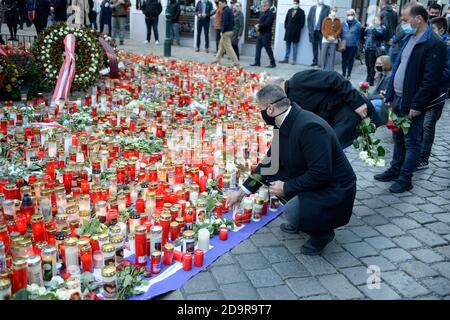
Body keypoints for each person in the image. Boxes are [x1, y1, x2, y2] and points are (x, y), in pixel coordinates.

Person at [226, 84, 356, 255]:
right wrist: (241, 192)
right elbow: (270, 163)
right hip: (316, 179)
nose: (261, 114)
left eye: (261, 109)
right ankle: (306, 215)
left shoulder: (309, 127)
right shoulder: (284, 122)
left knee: (293, 210)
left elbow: (321, 173)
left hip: (335, 189)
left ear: (270, 108)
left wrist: (286, 187)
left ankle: (322, 233)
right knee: (273, 176)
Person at [375, 3, 446, 193]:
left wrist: (418, 104)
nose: (403, 23)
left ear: (419, 19)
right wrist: (390, 93)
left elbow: (430, 79)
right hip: (398, 98)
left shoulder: (434, 43)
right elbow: (398, 66)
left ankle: (406, 178)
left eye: (406, 19)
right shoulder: (409, 37)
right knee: (397, 136)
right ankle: (395, 169)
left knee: (412, 141)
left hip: (413, 102)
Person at [267, 70, 382, 149]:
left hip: (350, 109)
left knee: (328, 147)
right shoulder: (288, 101)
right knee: (327, 148)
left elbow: (334, 77)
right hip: (335, 120)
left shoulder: (298, 80)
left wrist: (357, 103)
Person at [417, 17, 450, 170]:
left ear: (441, 30)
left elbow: (447, 71)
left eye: (433, 29)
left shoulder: (446, 45)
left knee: (428, 125)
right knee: (422, 125)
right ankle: (417, 155)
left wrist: (430, 75)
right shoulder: (433, 42)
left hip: (437, 93)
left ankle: (423, 159)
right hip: (426, 90)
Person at [212, 0, 239, 66]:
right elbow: (232, 22)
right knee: (221, 47)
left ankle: (235, 62)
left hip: (226, 32)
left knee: (229, 48)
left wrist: (222, 31)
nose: (219, 5)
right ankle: (217, 59)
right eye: (219, 4)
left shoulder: (226, 11)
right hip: (229, 31)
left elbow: (225, 22)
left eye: (220, 4)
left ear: (224, 3)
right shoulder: (229, 10)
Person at [250, 0, 276, 68]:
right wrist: (258, 26)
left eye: (263, 6)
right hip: (260, 33)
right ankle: (257, 62)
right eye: (262, 6)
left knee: (268, 49)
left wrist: (259, 25)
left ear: (267, 5)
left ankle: (273, 63)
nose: (262, 7)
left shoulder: (271, 13)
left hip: (266, 34)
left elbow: (267, 23)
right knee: (258, 48)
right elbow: (261, 22)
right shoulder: (263, 13)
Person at [279, 0, 304, 65]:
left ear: (298, 4)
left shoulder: (301, 12)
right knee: (287, 46)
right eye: (293, 3)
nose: (294, 4)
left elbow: (302, 23)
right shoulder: (289, 10)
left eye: (295, 3)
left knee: (295, 46)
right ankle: (286, 59)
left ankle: (293, 60)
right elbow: (286, 20)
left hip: (296, 32)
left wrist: (297, 30)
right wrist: (286, 27)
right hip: (288, 31)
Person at [368, 55, 392, 124]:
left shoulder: (389, 77)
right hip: (380, 98)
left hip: (385, 102)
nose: (377, 65)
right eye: (376, 63)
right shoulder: (381, 74)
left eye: (380, 64)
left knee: (371, 104)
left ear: (386, 64)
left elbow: (384, 95)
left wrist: (369, 97)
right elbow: (376, 91)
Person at [307, 0, 330, 67]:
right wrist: (310, 29)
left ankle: (322, 62)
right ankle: (315, 61)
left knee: (322, 47)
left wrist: (325, 30)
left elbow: (328, 20)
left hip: (322, 31)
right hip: (313, 31)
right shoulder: (313, 8)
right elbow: (309, 19)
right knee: (314, 47)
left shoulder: (327, 8)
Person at [340, 9, 361, 80]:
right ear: (346, 15)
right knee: (344, 60)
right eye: (348, 15)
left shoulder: (358, 24)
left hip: (353, 45)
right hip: (344, 45)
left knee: (350, 60)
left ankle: (349, 74)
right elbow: (340, 33)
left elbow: (359, 35)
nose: (350, 16)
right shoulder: (343, 23)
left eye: (351, 14)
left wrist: (356, 42)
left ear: (354, 15)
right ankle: (343, 73)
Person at [364, 17, 385, 86]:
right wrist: (366, 28)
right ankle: (368, 77)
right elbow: (365, 34)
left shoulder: (382, 28)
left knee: (371, 65)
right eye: (374, 19)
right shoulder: (371, 27)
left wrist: (373, 28)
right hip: (367, 47)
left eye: (377, 19)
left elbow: (379, 35)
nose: (375, 21)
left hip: (374, 48)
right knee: (367, 64)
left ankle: (371, 80)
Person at [320, 6, 340, 71]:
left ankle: (331, 70)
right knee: (323, 55)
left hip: (333, 41)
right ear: (330, 11)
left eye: (335, 11)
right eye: (333, 10)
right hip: (325, 40)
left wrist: (334, 37)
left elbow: (339, 30)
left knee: (332, 56)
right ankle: (323, 69)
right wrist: (327, 37)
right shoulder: (326, 19)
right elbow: (322, 29)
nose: (334, 12)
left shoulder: (337, 20)